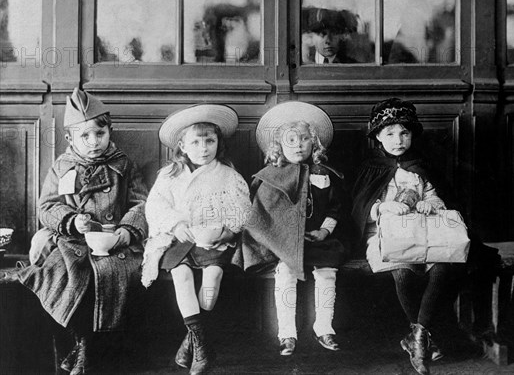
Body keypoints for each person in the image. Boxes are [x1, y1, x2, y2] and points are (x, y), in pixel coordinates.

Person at [10, 88, 148, 375]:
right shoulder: (62, 167)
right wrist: (72, 221)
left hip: (114, 243)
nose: (94, 142)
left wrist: (125, 231)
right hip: (72, 240)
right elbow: (46, 207)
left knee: (108, 275)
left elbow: (141, 204)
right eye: (84, 136)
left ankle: (89, 348)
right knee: (63, 273)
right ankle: (82, 341)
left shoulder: (124, 165)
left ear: (110, 132)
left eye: (100, 134)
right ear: (70, 138)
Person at [351, 98, 465, 375]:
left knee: (441, 267)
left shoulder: (421, 167)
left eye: (404, 132)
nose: (398, 140)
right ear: (378, 136)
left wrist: (431, 204)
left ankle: (416, 338)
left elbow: (436, 196)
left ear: (412, 135)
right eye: (390, 133)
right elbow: (358, 207)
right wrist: (382, 207)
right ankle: (424, 338)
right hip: (384, 236)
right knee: (401, 272)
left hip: (424, 235)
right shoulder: (372, 168)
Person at [141, 104, 250, 375]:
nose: (204, 148)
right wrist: (175, 225)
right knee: (181, 276)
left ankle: (189, 340)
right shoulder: (169, 176)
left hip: (213, 241)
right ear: (182, 145)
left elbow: (243, 210)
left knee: (212, 278)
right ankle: (200, 344)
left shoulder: (227, 175)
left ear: (218, 143)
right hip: (180, 240)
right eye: (196, 142)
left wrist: (228, 231)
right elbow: (154, 206)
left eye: (210, 141)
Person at [238, 102, 346, 356]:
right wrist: (280, 239)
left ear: (314, 143)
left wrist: (324, 231)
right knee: (285, 271)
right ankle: (287, 333)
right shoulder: (270, 176)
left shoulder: (324, 174)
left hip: (317, 239)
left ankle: (324, 327)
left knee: (327, 270)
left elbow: (335, 208)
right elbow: (261, 215)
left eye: (304, 139)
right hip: (283, 243)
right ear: (279, 146)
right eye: (291, 140)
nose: (298, 145)